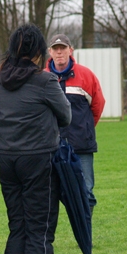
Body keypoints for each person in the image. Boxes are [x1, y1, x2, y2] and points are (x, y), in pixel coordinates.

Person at [0, 24, 71, 254]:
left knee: (18, 228)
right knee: (40, 230)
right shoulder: (45, 80)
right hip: (38, 160)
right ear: (38, 51)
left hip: (6, 161)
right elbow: (66, 115)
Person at [45, 34, 105, 216]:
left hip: (81, 145)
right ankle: (47, 241)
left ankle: (85, 235)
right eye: (55, 49)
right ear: (50, 52)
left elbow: (98, 105)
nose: (59, 52)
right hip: (51, 146)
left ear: (70, 50)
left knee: (86, 192)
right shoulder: (43, 78)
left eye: (63, 48)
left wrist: (85, 129)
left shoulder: (86, 75)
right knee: (49, 193)